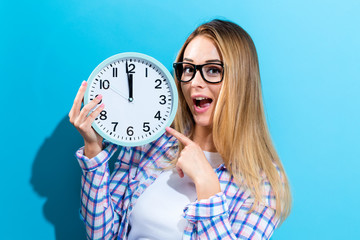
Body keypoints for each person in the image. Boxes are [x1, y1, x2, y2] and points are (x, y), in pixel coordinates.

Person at [69, 19, 291, 240]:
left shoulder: (262, 181)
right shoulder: (153, 142)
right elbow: (102, 235)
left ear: (241, 80)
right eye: (188, 69)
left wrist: (207, 185)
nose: (194, 82)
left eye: (213, 70)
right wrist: (93, 150)